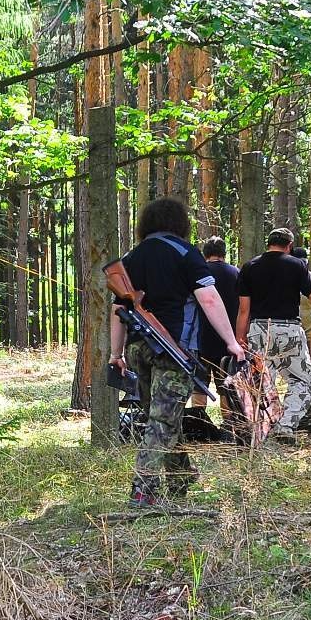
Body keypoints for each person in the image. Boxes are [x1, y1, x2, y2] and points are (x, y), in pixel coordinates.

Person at [107, 198, 247, 506]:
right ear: (180, 222)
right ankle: (144, 490)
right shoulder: (186, 253)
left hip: (137, 349)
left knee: (161, 416)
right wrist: (232, 342)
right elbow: (209, 299)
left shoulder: (131, 257)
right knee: (162, 420)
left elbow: (118, 309)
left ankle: (181, 477)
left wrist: (116, 354)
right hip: (175, 351)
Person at [236, 228, 311, 435]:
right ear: (289, 245)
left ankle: (262, 428)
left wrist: (240, 338)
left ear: (269, 243)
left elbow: (244, 310)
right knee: (305, 379)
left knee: (261, 383)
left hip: (258, 330)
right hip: (288, 330)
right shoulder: (296, 265)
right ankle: (285, 425)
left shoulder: (249, 267)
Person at [190, 237, 242, 408]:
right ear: (223, 253)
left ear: (205, 254)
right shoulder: (235, 273)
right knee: (226, 387)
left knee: (199, 385)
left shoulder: (199, 273)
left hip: (200, 337)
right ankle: (227, 422)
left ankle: (198, 419)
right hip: (227, 338)